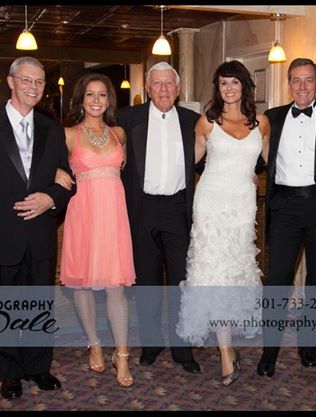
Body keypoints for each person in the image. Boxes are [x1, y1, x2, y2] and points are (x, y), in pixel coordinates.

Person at [0, 56, 75, 399]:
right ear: (10, 82)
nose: (33, 87)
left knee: (40, 305)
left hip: (40, 236)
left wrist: (50, 198)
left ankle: (38, 367)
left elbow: (68, 180)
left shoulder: (53, 129)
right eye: (26, 80)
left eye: (39, 82)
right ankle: (9, 374)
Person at [176, 60, 270, 386]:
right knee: (213, 273)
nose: (229, 88)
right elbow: (185, 163)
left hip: (242, 207)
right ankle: (225, 349)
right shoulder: (207, 122)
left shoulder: (262, 123)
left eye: (234, 82)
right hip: (211, 205)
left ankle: (227, 342)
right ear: (217, 88)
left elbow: (275, 165)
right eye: (223, 83)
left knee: (235, 272)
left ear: (245, 86)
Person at [117, 62, 202, 374]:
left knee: (181, 282)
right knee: (147, 282)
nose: (164, 89)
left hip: (178, 210)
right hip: (142, 209)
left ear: (178, 90)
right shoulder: (127, 118)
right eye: (157, 83)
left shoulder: (193, 121)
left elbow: (212, 156)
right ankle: (151, 344)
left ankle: (183, 349)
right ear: (148, 88)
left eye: (169, 84)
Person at [56, 73, 136, 388]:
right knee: (83, 284)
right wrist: (56, 171)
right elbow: (42, 163)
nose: (96, 100)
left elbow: (125, 171)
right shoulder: (68, 135)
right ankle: (94, 343)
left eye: (102, 95)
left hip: (114, 215)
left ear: (109, 100)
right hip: (83, 213)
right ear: (81, 99)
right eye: (90, 94)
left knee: (117, 286)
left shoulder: (119, 133)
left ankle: (122, 354)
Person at [258, 58, 316, 378]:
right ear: (288, 84)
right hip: (285, 207)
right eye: (296, 80)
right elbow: (251, 154)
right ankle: (269, 352)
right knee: (276, 281)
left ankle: (309, 346)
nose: (302, 86)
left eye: (309, 80)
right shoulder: (271, 118)